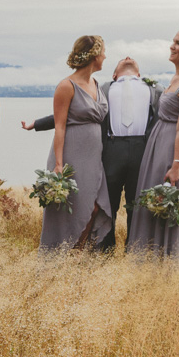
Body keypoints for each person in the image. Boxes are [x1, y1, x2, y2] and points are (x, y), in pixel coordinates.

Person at [22, 56, 179, 251]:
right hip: (111, 149)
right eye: (122, 59)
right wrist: (36, 124)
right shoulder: (101, 89)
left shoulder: (156, 89)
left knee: (138, 204)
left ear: (140, 75)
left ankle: (136, 250)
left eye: (131, 58)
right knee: (107, 202)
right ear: (113, 75)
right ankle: (104, 249)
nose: (128, 56)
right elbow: (70, 111)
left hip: (143, 150)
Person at [127, 26, 179, 268]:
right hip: (159, 144)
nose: (172, 46)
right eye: (173, 41)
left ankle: (173, 267)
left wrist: (176, 165)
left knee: (169, 205)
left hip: (177, 149)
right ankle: (149, 265)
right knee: (154, 204)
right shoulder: (176, 77)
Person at [40, 35, 113, 251]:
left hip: (93, 157)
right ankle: (61, 256)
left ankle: (77, 255)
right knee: (73, 209)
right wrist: (59, 163)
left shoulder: (96, 84)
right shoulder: (66, 85)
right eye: (103, 52)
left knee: (95, 207)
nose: (105, 56)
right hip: (71, 155)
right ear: (93, 55)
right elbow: (60, 127)